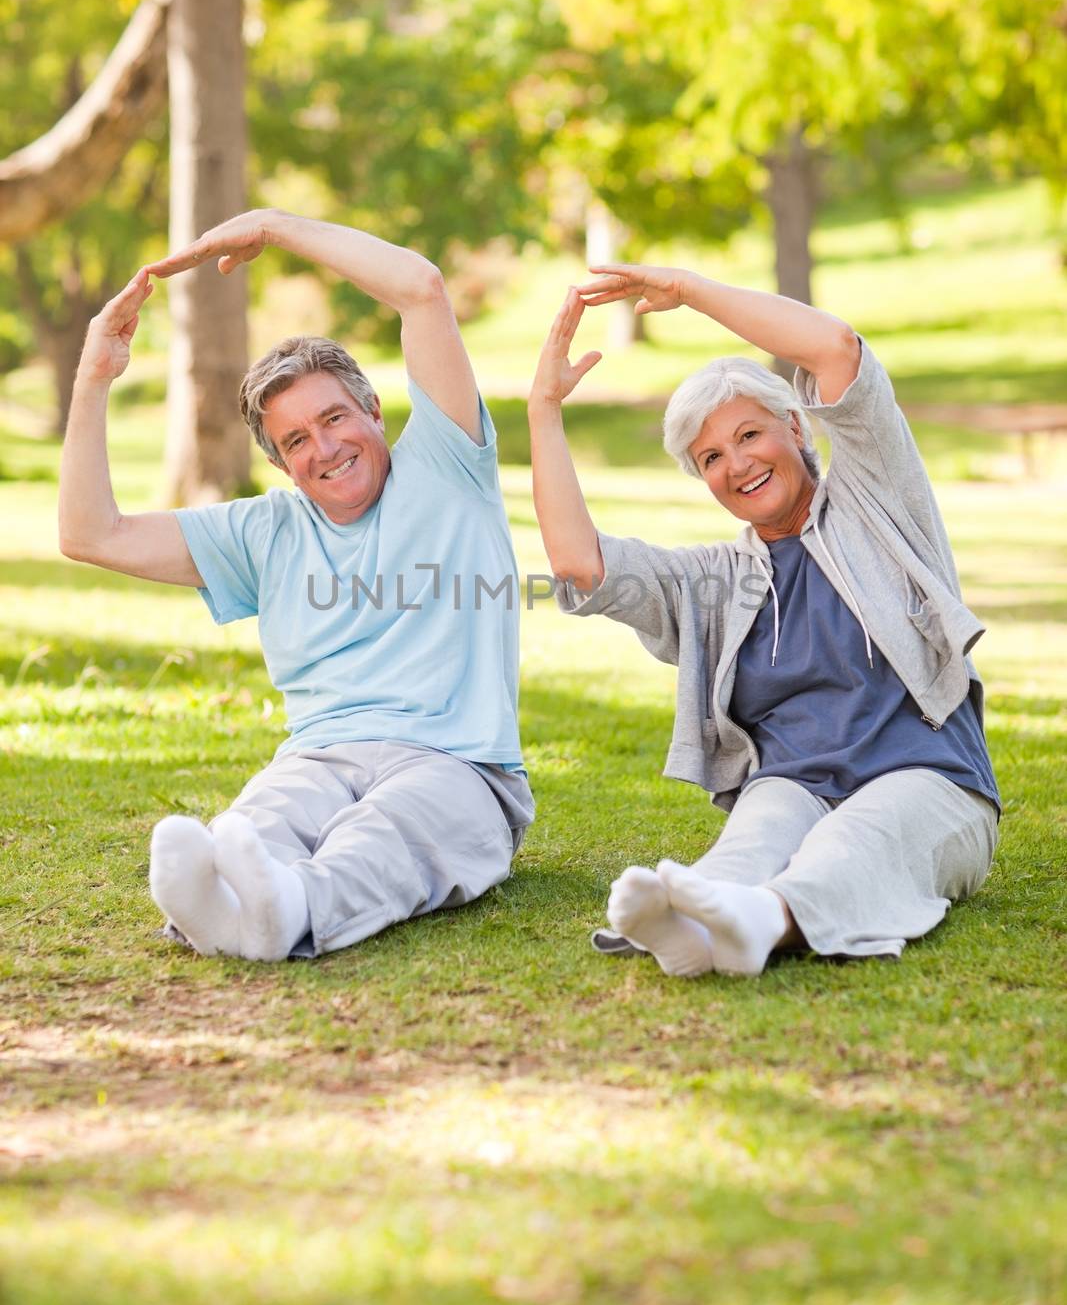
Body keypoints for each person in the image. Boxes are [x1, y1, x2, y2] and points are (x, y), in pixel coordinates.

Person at [59, 211, 533, 961]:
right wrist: (92, 379)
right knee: (265, 820)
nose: (325, 449)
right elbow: (90, 534)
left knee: (385, 832)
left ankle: (292, 905)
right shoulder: (265, 531)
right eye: (296, 441)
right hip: (318, 757)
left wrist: (275, 228)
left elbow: (421, 290)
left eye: (334, 418)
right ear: (280, 464)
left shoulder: (447, 466)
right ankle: (221, 907)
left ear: (374, 411)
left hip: (458, 766)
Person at [527, 265, 999, 977]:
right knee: (750, 840)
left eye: (749, 434)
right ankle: (696, 924)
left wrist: (687, 293)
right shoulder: (715, 582)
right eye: (710, 457)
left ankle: (759, 923)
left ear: (794, 425)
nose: (737, 464)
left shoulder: (875, 500)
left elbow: (835, 347)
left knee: (855, 844)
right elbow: (579, 566)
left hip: (928, 778)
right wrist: (542, 406)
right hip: (793, 784)